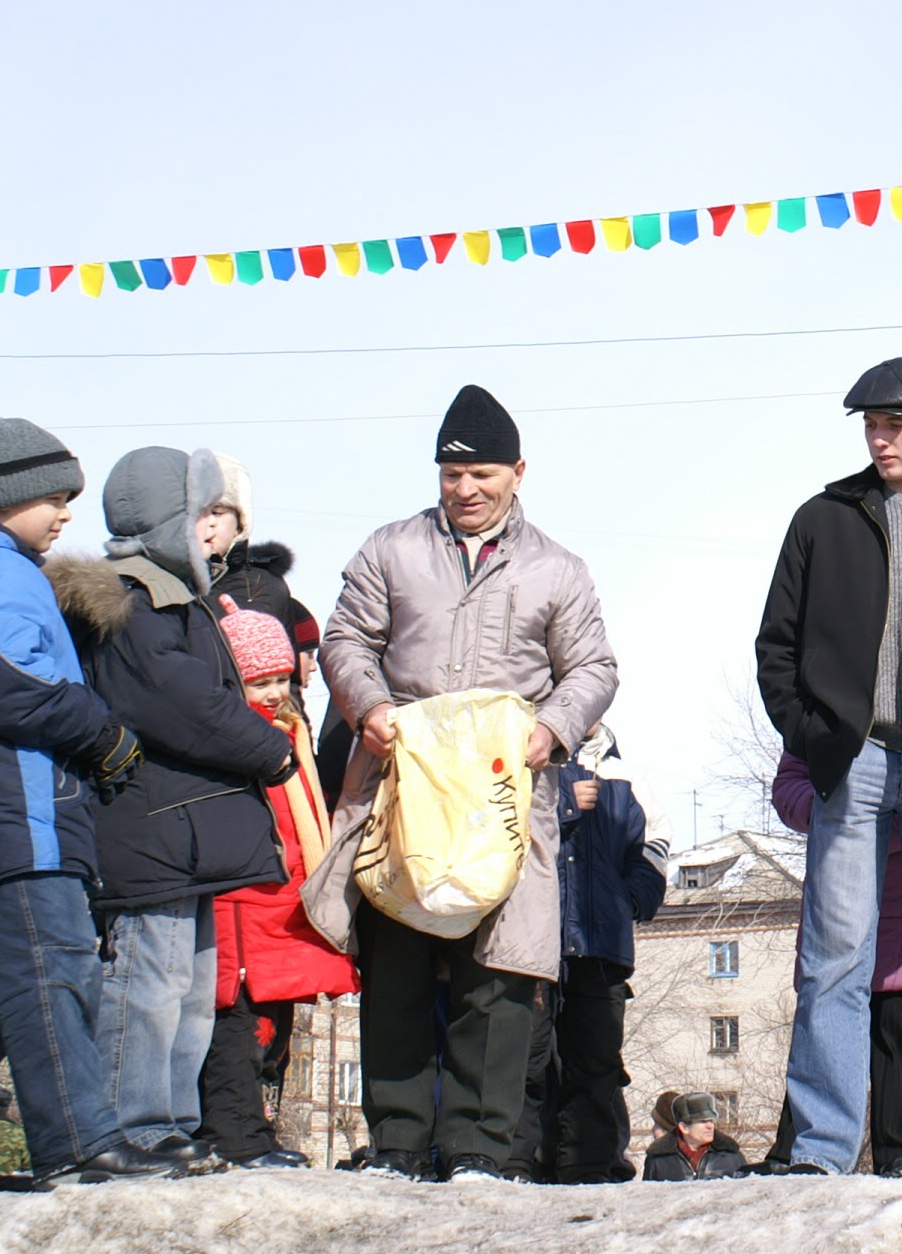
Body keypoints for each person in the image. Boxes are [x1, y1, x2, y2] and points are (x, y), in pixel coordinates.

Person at [307, 384, 619, 1182]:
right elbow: (346, 639)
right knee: (398, 965)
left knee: (500, 972)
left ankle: (481, 1147)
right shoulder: (390, 549)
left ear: (518, 472)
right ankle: (398, 1143)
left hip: (505, 794)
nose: (467, 490)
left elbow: (592, 668)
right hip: (403, 787)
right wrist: (369, 707)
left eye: (482, 474)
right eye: (452, 476)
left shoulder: (558, 569)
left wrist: (553, 729)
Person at [0, 420, 179, 1189]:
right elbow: (17, 689)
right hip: (12, 820)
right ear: (5, 497)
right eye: (53, 497)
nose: (65, 514)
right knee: (54, 973)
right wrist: (105, 734)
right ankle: (79, 1141)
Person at [55, 447, 297, 1166]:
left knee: (189, 989)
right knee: (148, 983)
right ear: (166, 515)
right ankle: (131, 1127)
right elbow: (183, 702)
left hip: (182, 832)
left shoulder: (173, 595)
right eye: (198, 512)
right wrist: (268, 748)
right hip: (152, 830)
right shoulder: (135, 600)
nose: (208, 530)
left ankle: (174, 1125)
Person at [754, 357, 902, 1174]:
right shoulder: (824, 519)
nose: (880, 439)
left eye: (895, 424)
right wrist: (813, 735)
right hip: (855, 758)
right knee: (834, 957)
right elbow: (776, 644)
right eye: (871, 425)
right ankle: (823, 1149)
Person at [193, 601, 359, 1168]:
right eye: (257, 681)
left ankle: (255, 1131)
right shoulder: (234, 740)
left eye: (281, 679)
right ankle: (235, 1135)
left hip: (281, 905)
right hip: (245, 909)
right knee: (238, 1031)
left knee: (274, 1032)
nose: (272, 692)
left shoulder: (287, 733)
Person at [510, 724, 668, 1184]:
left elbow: (654, 847)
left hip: (600, 946)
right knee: (526, 1060)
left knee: (597, 1065)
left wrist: (627, 901)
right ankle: (518, 1166)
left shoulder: (625, 777)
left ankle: (591, 1170)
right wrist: (560, 805)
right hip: (529, 942)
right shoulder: (521, 759)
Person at [762, 746, 902, 1175]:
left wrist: (878, 819)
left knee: (894, 1037)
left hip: (897, 929)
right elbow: (789, 786)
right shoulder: (828, 724)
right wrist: (835, 809)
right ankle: (798, 1152)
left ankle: (901, 1157)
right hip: (837, 901)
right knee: (822, 1019)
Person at [204, 454, 322, 692]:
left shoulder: (268, 585)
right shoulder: (173, 582)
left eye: (217, 511)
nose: (209, 522)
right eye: (198, 512)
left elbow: (290, 681)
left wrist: (292, 715)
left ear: (241, 521)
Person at [641, 1093, 746, 1181]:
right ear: (684, 1127)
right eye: (703, 1121)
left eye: (711, 1121)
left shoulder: (732, 1157)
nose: (710, 1126)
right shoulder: (658, 1160)